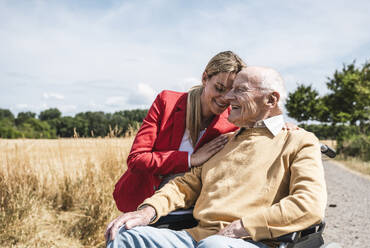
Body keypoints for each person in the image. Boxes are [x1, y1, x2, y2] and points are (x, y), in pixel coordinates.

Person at [105, 66, 327, 248]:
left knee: (214, 246)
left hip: (252, 240)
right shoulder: (224, 141)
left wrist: (243, 227)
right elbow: (184, 186)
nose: (228, 97)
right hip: (196, 238)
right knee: (124, 235)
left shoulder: (299, 141)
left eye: (239, 90)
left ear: (270, 100)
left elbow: (309, 205)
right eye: (228, 90)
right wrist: (147, 212)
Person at [113, 51, 246, 212]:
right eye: (219, 88)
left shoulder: (232, 122)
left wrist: (281, 125)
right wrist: (190, 159)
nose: (225, 98)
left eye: (232, 92)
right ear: (205, 78)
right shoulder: (166, 102)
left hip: (189, 213)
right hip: (143, 202)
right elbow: (137, 159)